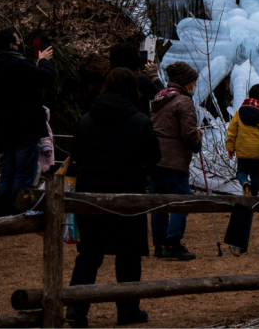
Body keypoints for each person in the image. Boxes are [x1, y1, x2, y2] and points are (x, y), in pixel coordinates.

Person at [66, 67, 162, 328]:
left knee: (88, 253)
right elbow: (154, 157)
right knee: (128, 253)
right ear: (134, 89)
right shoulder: (140, 121)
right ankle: (128, 309)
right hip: (126, 192)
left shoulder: (86, 120)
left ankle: (76, 307)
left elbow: (75, 155)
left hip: (90, 193)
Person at [0, 27, 55, 216]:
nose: (21, 44)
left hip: (5, 127)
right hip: (26, 127)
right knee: (24, 173)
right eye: (18, 42)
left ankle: (2, 211)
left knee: (8, 172)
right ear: (12, 45)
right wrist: (44, 62)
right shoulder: (18, 65)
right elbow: (45, 78)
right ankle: (18, 212)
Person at [149, 61, 202, 260]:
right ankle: (173, 242)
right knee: (182, 199)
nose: (194, 85)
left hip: (155, 156)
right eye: (193, 81)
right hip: (174, 157)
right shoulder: (184, 101)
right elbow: (188, 134)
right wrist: (197, 142)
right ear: (185, 82)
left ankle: (159, 243)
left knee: (158, 201)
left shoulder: (159, 98)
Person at [226, 84, 259, 196]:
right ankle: (254, 197)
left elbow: (231, 132)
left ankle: (245, 183)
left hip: (242, 149)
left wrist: (230, 148)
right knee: (256, 175)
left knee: (241, 172)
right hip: (258, 152)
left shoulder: (239, 112)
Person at [110, 42, 163, 116]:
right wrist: (154, 76)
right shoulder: (140, 80)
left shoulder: (110, 79)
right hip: (138, 124)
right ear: (134, 61)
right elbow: (163, 97)